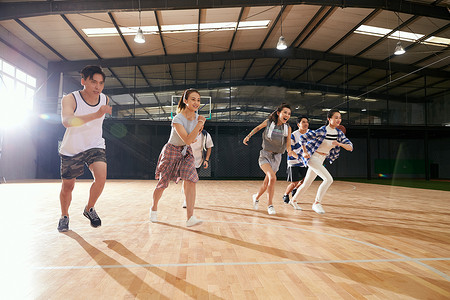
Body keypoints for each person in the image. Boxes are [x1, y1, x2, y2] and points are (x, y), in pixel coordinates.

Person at [57, 65, 112, 232]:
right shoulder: (70, 99)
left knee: (101, 178)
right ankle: (64, 216)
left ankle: (89, 208)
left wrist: (99, 114)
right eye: (93, 82)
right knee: (68, 187)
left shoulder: (105, 99)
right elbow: (67, 121)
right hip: (72, 148)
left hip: (94, 145)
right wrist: (96, 115)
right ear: (83, 81)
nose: (98, 86)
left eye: (101, 83)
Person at [152, 88, 205, 227]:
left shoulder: (197, 117)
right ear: (185, 101)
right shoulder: (178, 119)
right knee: (163, 184)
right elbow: (188, 139)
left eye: (198, 100)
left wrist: (198, 127)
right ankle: (154, 208)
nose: (196, 102)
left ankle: (190, 218)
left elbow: (192, 139)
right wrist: (200, 124)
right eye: (193, 99)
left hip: (186, 151)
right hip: (171, 151)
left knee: (191, 180)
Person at [291, 109, 353, 214]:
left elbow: (350, 147)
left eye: (340, 118)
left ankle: (293, 200)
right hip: (313, 157)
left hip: (322, 159)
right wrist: (305, 152)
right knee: (328, 179)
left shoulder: (338, 133)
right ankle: (316, 203)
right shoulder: (322, 130)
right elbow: (303, 138)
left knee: (307, 183)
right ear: (329, 119)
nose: (338, 120)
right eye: (336, 117)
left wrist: (340, 144)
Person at [243, 103, 297, 215]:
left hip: (277, 157)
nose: (287, 115)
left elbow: (288, 145)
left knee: (266, 182)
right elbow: (258, 128)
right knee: (272, 178)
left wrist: (290, 151)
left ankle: (256, 197)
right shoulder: (268, 123)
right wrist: (248, 135)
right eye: (285, 112)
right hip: (265, 155)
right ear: (278, 113)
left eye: (289, 114)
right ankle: (270, 205)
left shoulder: (288, 128)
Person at [182, 127, 214, 208]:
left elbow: (209, 147)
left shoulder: (205, 135)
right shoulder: (187, 132)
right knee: (187, 179)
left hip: (198, 161)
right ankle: (186, 200)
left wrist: (206, 160)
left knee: (192, 181)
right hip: (186, 159)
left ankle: (187, 194)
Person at [282, 116, 310, 209]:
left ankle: (295, 190)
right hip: (293, 161)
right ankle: (286, 195)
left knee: (305, 180)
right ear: (298, 125)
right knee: (294, 182)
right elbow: (290, 150)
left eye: (307, 122)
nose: (306, 124)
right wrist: (299, 157)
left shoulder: (310, 133)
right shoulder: (294, 135)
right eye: (303, 122)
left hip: (305, 162)